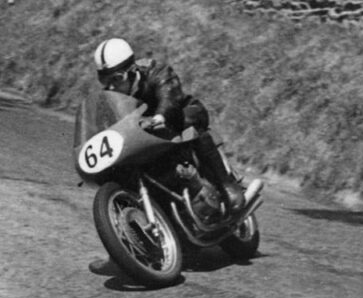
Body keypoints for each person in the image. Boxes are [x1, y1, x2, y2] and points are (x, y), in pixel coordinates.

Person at [92, 38, 263, 215]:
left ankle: (226, 184)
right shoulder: (109, 98)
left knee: (187, 122)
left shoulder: (154, 71)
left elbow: (169, 93)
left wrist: (160, 115)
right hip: (145, 138)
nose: (111, 85)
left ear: (132, 71)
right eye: (104, 80)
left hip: (178, 115)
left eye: (117, 79)